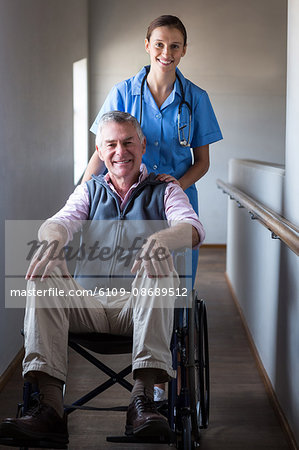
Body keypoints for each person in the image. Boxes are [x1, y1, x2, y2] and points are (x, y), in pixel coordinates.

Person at [0, 112, 205, 448]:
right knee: (43, 268)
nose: (120, 151)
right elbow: (60, 221)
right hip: (87, 304)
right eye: (111, 144)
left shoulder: (164, 189)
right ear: (100, 149)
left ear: (142, 146)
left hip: (138, 307)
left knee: (161, 266)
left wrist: (161, 241)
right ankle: (49, 407)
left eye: (127, 142)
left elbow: (190, 227)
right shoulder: (90, 191)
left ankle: (143, 401)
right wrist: (51, 242)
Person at [84, 13, 222, 402]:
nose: (167, 52)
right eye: (159, 44)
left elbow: (202, 162)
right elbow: (103, 150)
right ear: (147, 46)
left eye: (175, 45)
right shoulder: (124, 91)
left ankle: (160, 386)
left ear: (184, 50)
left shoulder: (196, 99)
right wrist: (82, 192)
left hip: (173, 202)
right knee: (122, 279)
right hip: (126, 204)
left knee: (173, 293)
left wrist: (175, 185)